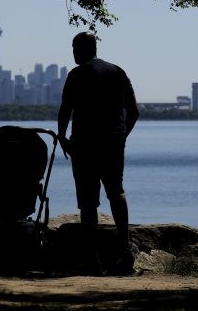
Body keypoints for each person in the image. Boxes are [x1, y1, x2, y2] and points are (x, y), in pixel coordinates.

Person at [57, 31, 140, 275]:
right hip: (112, 144)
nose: (72, 52)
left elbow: (65, 110)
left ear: (85, 48)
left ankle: (92, 259)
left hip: (83, 145)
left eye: (75, 47)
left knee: (88, 202)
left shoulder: (76, 75)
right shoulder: (118, 72)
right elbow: (133, 111)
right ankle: (125, 250)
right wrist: (121, 136)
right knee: (117, 193)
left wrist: (62, 137)